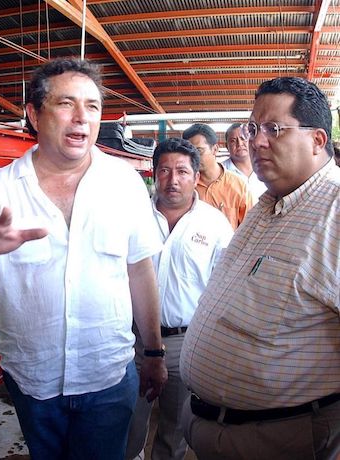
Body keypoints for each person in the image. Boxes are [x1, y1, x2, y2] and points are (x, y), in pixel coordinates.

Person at [0, 57, 167, 460]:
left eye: (92, 106)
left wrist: (153, 352)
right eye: (66, 103)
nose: (82, 117)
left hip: (108, 375)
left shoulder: (124, 183)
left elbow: (139, 270)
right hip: (33, 381)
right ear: (34, 114)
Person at [180, 77, 340, 459]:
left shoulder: (334, 212)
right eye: (254, 129)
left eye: (274, 129)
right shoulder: (267, 204)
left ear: (317, 140)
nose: (257, 141)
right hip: (217, 428)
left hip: (280, 439)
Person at [125, 138, 233, 460]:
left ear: (196, 176)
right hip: (131, 340)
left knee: (175, 430)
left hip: (186, 342)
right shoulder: (132, 217)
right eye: (165, 170)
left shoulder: (215, 225)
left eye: (182, 171)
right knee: (128, 425)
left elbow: (224, 288)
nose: (173, 180)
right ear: (154, 173)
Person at [182, 123, 253, 229]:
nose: (193, 158)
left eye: (199, 151)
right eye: (189, 153)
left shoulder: (239, 186)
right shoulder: (185, 186)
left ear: (215, 149)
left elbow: (249, 229)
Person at [221, 122, 267, 201]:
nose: (239, 144)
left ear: (252, 141)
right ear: (227, 146)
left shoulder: (265, 166)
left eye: (243, 138)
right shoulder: (221, 172)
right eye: (233, 141)